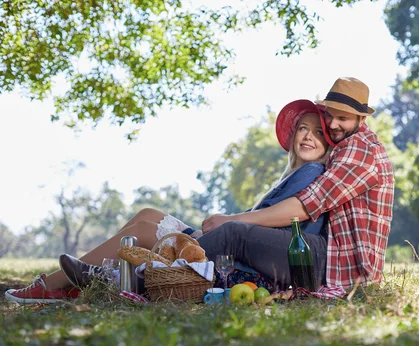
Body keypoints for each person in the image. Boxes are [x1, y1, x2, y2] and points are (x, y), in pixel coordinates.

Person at [5, 99, 333, 304]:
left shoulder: (313, 171)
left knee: (147, 228)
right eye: (303, 129)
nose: (307, 136)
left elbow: (281, 220)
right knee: (148, 215)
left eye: (318, 133)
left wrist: (230, 219)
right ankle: (81, 281)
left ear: (327, 142)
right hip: (235, 242)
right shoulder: (295, 173)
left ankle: (56, 285)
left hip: (242, 256)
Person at [199, 77, 394, 289]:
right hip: (332, 256)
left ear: (361, 119)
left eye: (343, 118)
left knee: (233, 233)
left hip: (339, 263)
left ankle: (169, 270)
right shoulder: (348, 148)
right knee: (236, 236)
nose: (332, 124)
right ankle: (177, 264)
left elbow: (305, 206)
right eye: (329, 115)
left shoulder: (359, 148)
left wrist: (232, 220)